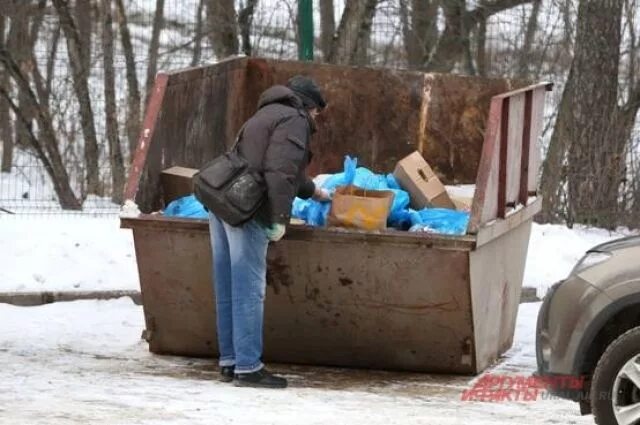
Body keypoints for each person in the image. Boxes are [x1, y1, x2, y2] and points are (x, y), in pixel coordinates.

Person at [208, 75, 329, 389]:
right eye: (317, 112)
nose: (315, 118)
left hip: (222, 200)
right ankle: (249, 367)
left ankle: (231, 361)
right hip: (249, 209)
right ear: (308, 105)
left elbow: (272, 165)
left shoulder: (266, 113)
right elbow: (279, 173)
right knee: (249, 289)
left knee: (228, 286)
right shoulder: (295, 120)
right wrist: (279, 219)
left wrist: (313, 191)